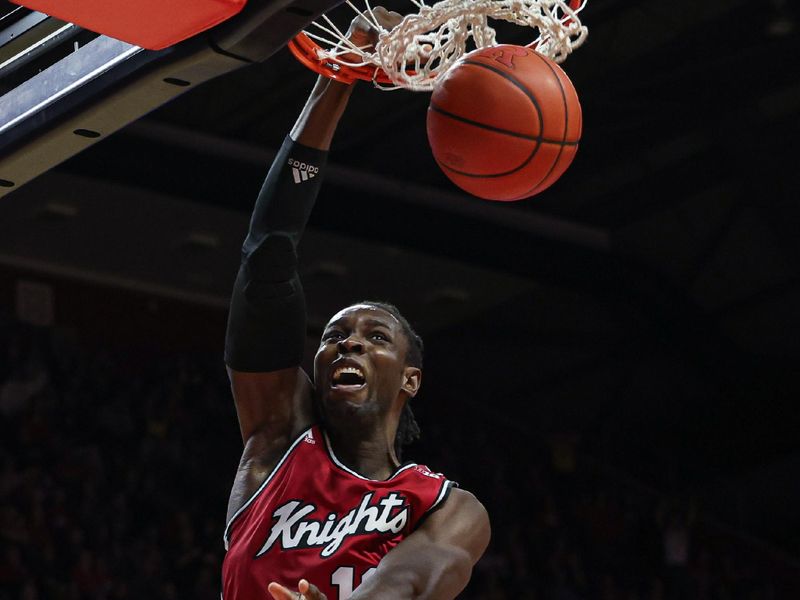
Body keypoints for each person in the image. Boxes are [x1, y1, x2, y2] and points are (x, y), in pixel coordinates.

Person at [221, 9, 490, 599]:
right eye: (334, 336)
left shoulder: (445, 505)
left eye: (376, 338)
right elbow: (268, 253)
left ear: (410, 379)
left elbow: (419, 575)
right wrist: (336, 77)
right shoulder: (277, 438)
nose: (347, 342)